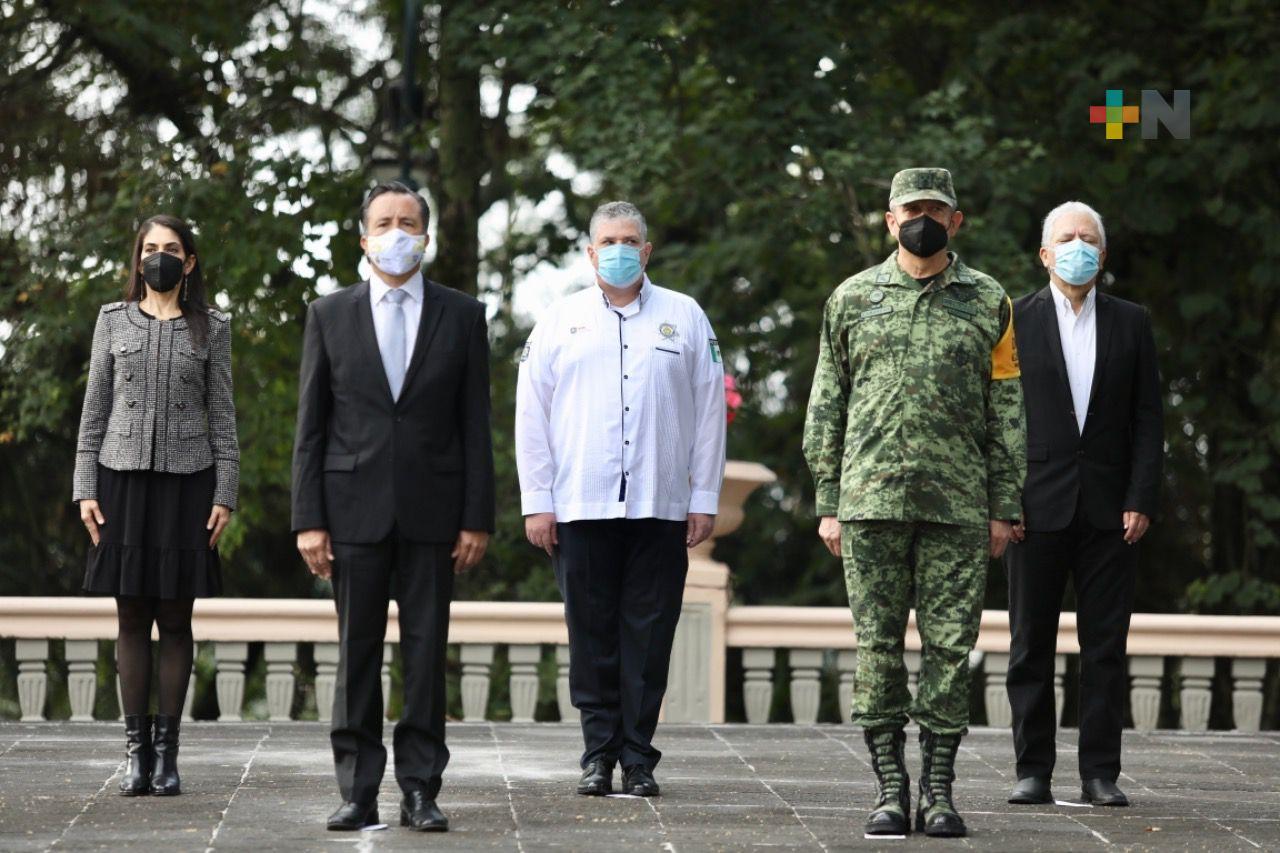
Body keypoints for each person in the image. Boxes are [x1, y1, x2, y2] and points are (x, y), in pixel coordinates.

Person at [803, 168, 1025, 838]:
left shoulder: (989, 302)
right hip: (869, 501)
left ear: (955, 220)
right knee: (875, 647)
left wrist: (1003, 503)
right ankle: (890, 787)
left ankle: (939, 789)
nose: (921, 218)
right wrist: (828, 498)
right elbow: (827, 401)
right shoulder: (851, 298)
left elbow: (1006, 408)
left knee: (950, 649)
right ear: (888, 217)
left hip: (957, 505)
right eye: (910, 208)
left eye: (935, 208)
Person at [292, 181, 495, 833]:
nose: (397, 232)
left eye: (409, 221)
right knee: (356, 654)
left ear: (426, 237)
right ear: (363, 237)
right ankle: (357, 789)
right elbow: (311, 426)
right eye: (385, 222)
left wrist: (477, 515)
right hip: (350, 511)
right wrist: (309, 518)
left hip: (436, 512)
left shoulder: (462, 315)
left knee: (426, 655)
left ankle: (420, 788)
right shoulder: (330, 314)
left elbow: (475, 423)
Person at [515, 200, 726, 798]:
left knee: (649, 636)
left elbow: (709, 413)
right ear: (589, 252)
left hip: (660, 505)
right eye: (607, 240)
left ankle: (638, 759)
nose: (619, 248)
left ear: (647, 249)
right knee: (591, 636)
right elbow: (531, 415)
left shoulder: (684, 317)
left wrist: (703, 495)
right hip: (581, 504)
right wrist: (538, 500)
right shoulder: (560, 320)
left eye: (630, 239)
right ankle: (597, 754)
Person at [1004, 201, 1163, 808]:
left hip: (1110, 511)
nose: (1079, 246)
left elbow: (1149, 418)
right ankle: (1032, 770)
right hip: (1032, 508)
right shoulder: (1013, 319)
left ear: (1104, 252)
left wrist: (1141, 496)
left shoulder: (1131, 322)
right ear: (1045, 254)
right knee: (1029, 645)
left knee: (1104, 648)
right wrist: (1003, 500)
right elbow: (999, 420)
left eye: (1089, 237)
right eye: (1067, 238)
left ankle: (1100, 772)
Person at [74, 214, 238, 797]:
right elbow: (94, 409)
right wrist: (84, 487)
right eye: (150, 248)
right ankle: (135, 755)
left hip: (188, 484)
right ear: (137, 258)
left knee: (175, 618)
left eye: (171, 249)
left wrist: (226, 492)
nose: (160, 257)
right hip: (121, 482)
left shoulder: (211, 328)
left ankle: (168, 756)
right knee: (130, 618)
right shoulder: (111, 321)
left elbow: (223, 415)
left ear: (189, 262)